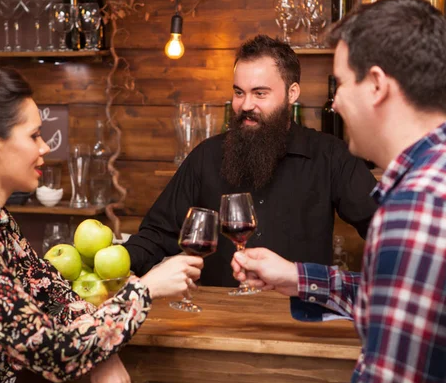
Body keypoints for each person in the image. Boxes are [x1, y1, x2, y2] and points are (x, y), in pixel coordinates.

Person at [231, 0, 446, 383]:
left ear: (377, 85)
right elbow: (408, 296)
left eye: (342, 84)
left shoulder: (420, 206)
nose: (337, 102)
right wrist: (297, 277)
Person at [0, 64, 203, 383]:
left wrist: (105, 355)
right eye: (34, 135)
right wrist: (147, 288)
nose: (45, 147)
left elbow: (55, 298)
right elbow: (47, 348)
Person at [125, 35, 377, 287]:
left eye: (260, 93)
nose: (246, 105)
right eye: (238, 92)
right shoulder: (206, 156)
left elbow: (382, 229)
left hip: (300, 314)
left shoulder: (330, 155)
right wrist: (113, 265)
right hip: (216, 317)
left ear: (292, 93)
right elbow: (157, 234)